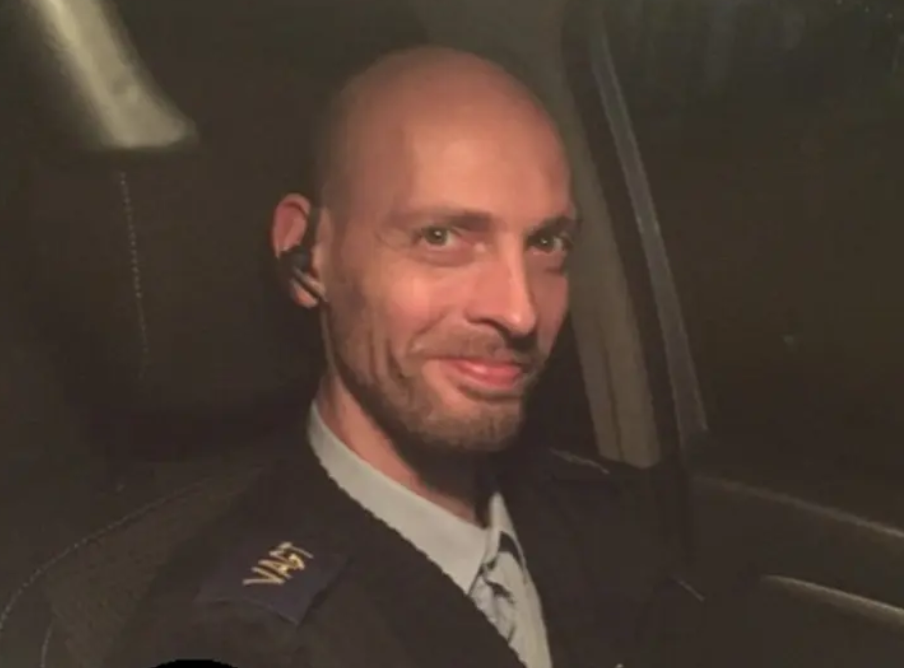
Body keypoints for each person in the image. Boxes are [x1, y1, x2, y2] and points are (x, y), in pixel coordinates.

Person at [105, 45, 700, 668]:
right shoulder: (245, 640)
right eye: (440, 237)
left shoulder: (600, 512)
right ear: (307, 255)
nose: (520, 311)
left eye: (546, 242)